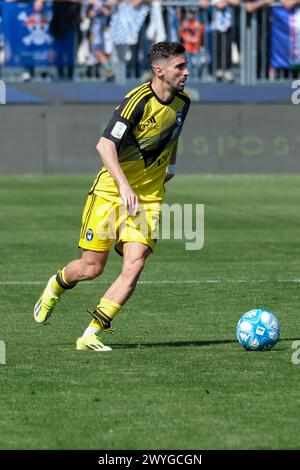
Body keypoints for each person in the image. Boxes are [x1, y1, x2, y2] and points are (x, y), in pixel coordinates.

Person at [34, 41, 190, 351]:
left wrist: (168, 170)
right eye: (180, 67)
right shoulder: (136, 101)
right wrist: (124, 186)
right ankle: (57, 284)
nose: (186, 72)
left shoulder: (183, 103)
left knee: (135, 264)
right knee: (92, 268)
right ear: (160, 71)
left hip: (147, 198)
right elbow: (104, 146)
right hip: (110, 192)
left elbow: (171, 137)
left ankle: (90, 333)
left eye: (186, 66)